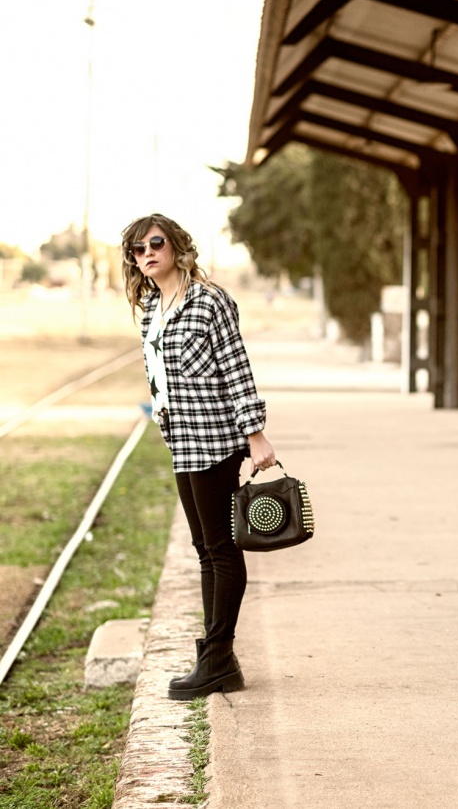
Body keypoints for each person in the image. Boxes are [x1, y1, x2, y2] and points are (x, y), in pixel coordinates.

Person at [121, 214, 277, 700]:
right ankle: (216, 656)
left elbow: (236, 369)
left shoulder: (209, 301)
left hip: (214, 439)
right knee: (204, 550)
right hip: (181, 442)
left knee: (221, 549)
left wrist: (256, 436)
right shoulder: (151, 308)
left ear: (176, 246)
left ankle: (218, 657)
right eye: (136, 249)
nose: (147, 253)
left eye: (155, 243)